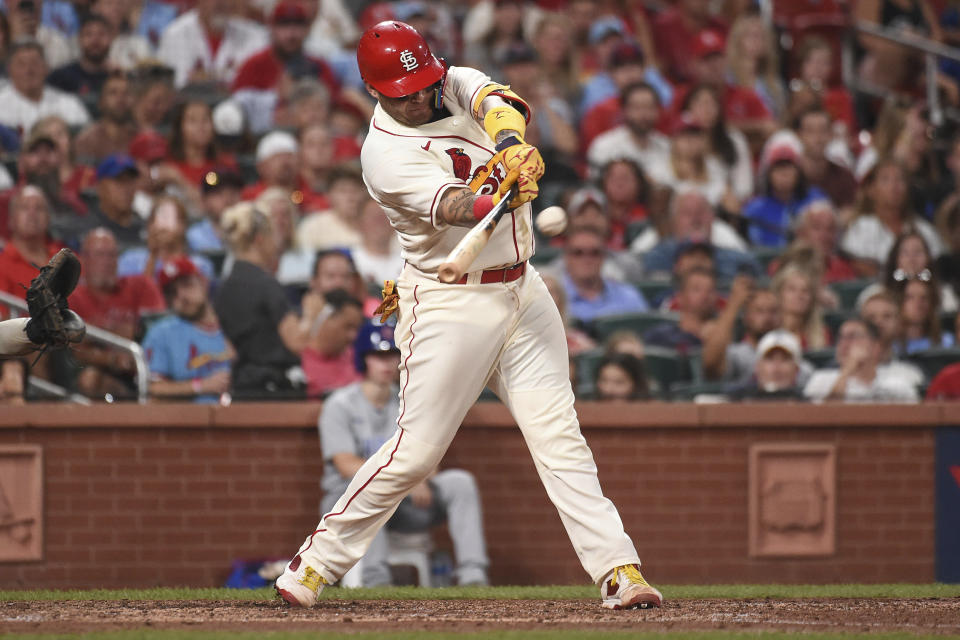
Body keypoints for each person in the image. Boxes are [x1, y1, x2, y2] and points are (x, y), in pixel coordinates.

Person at [276, 20, 663, 612]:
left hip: (522, 288)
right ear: (378, 93)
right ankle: (316, 563)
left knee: (559, 436)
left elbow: (497, 101)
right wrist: (498, 194)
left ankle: (618, 569)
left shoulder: (445, 81)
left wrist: (511, 148)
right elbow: (455, 207)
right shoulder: (384, 154)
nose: (424, 94)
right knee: (418, 452)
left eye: (425, 82)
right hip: (449, 298)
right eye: (407, 90)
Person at [320, 320, 489, 586]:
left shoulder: (408, 401)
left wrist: (418, 478)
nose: (387, 363)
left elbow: (428, 454)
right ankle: (376, 581)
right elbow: (345, 464)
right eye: (378, 355)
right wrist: (405, 480)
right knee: (369, 488)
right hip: (349, 507)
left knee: (460, 483)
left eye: (392, 355)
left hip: (404, 504)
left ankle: (473, 575)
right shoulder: (339, 405)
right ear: (364, 359)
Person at [213, 202, 319, 397]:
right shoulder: (266, 285)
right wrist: (311, 314)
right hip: (274, 391)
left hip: (240, 387)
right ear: (260, 240)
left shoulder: (224, 286)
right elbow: (297, 342)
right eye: (271, 236)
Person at [69, 227, 165, 398]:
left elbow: (159, 327)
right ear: (83, 260)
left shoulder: (139, 285)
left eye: (112, 255)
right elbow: (74, 346)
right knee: (89, 379)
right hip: (102, 371)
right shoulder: (73, 297)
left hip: (144, 366)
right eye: (100, 255)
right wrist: (112, 358)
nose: (107, 261)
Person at [143, 255, 232, 403]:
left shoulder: (233, 323)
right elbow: (152, 388)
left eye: (186, 285)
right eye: (172, 293)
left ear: (203, 282)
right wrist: (200, 386)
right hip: (189, 419)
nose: (182, 296)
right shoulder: (162, 333)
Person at [157, 0, 268, 89]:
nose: (220, 3)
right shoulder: (176, 34)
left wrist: (204, 79)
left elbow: (258, 86)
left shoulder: (254, 37)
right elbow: (176, 85)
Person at [803, 318, 920, 403]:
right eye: (841, 338)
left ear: (875, 347)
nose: (844, 344)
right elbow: (825, 419)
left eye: (853, 337)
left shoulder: (898, 384)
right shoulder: (820, 380)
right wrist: (847, 371)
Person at [743, 143, 827, 248]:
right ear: (769, 174)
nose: (784, 174)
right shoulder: (754, 208)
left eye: (789, 168)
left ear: (799, 172)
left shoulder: (816, 199)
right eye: (778, 169)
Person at [560, 227, 649, 325]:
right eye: (578, 253)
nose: (587, 259)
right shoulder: (555, 297)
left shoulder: (628, 296)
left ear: (604, 257)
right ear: (566, 258)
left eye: (595, 253)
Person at [0, 39, 90, 133]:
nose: (28, 70)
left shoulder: (69, 104)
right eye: (21, 64)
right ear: (9, 70)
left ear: (46, 68)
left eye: (35, 63)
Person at [701, 278, 782, 382]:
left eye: (773, 311)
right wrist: (733, 305)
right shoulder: (737, 354)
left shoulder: (791, 354)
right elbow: (711, 364)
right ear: (746, 317)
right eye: (759, 311)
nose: (767, 317)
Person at [586, 82, 669, 181]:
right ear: (624, 110)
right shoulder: (605, 146)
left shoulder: (666, 146)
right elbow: (595, 185)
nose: (644, 114)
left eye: (649, 107)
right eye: (637, 108)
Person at [300, 287, 365, 397]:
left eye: (356, 329)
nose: (353, 336)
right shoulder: (297, 361)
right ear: (325, 319)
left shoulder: (358, 359)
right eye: (348, 327)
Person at [642, 266, 717, 354]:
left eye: (710, 290)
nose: (705, 295)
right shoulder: (659, 336)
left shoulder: (726, 335)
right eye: (697, 289)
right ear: (680, 297)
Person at [724, 329, 805, 401]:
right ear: (757, 367)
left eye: (785, 359)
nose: (777, 367)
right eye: (770, 359)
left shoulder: (808, 403)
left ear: (796, 370)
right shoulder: (736, 400)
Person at [73, 71, 136, 163]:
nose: (121, 98)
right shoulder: (87, 140)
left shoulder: (141, 136)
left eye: (126, 93)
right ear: (101, 102)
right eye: (113, 93)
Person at [46, 12, 113, 98]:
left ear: (111, 39)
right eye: (89, 34)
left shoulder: (116, 78)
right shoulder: (60, 77)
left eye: (101, 34)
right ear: (79, 39)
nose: (95, 40)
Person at [771, 263, 830, 350]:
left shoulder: (823, 334)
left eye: (805, 290)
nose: (799, 295)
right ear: (779, 294)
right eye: (792, 289)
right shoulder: (768, 330)